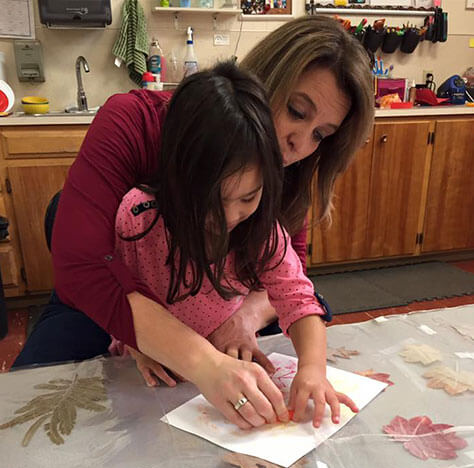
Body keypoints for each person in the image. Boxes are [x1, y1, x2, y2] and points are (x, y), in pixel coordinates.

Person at [13, 16, 373, 429]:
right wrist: (181, 353)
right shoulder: (137, 170)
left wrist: (242, 322)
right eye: (296, 111)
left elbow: (292, 283)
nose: (300, 144)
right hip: (106, 305)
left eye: (321, 135)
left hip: (219, 313)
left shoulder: (281, 191)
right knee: (32, 403)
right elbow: (87, 269)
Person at [111, 62, 358, 429]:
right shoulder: (138, 217)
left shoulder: (262, 228)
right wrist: (136, 347)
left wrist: (312, 369)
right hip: (152, 370)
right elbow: (115, 298)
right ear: (178, 175)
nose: (228, 216)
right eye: (212, 200)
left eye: (247, 197)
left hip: (225, 364)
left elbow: (300, 300)